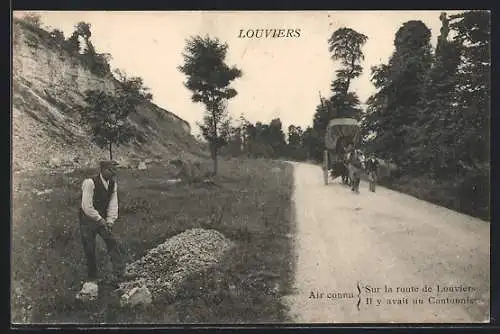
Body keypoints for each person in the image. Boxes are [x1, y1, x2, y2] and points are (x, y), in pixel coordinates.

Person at [79, 160, 124, 285]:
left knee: (112, 242)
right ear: (102, 170)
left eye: (115, 170)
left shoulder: (113, 185)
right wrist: (99, 219)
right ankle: (92, 278)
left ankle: (119, 273)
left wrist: (110, 221)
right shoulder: (89, 183)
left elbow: (113, 204)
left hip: (102, 220)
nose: (113, 173)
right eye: (111, 170)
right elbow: (86, 206)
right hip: (87, 220)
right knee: (89, 248)